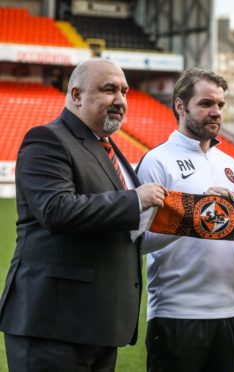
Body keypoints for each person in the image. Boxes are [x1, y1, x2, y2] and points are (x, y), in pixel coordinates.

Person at [0, 58, 168, 371]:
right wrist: (133, 200)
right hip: (53, 325)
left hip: (97, 324)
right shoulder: (47, 139)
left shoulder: (107, 147)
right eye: (109, 90)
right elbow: (56, 210)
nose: (121, 100)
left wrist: (192, 213)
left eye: (125, 91)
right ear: (76, 95)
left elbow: (122, 231)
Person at [136, 68, 234, 372]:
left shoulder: (228, 164)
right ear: (180, 105)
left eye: (220, 105)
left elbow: (233, 242)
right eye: (205, 104)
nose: (215, 112)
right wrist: (197, 214)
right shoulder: (157, 161)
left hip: (230, 312)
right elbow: (136, 242)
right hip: (177, 314)